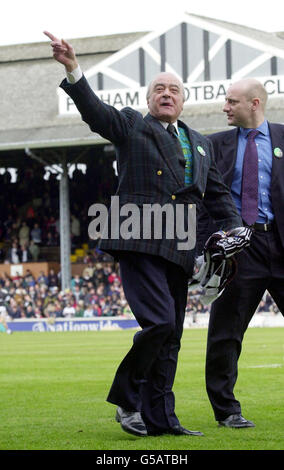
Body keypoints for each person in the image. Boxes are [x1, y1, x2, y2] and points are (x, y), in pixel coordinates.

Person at [44, 31, 243, 438]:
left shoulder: (200, 144)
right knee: (158, 324)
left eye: (173, 90)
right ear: (149, 98)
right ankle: (127, 401)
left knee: (171, 337)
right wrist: (72, 68)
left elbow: (219, 197)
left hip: (181, 247)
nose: (166, 94)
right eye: (159, 89)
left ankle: (162, 418)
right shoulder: (132, 125)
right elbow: (96, 113)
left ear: (183, 101)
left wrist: (237, 230)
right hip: (137, 237)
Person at [198, 78, 284, 428]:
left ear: (255, 103)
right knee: (225, 333)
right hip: (237, 248)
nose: (225, 107)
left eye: (232, 101)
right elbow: (200, 200)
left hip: (279, 244)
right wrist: (208, 247)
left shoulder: (282, 137)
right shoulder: (213, 145)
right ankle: (227, 411)